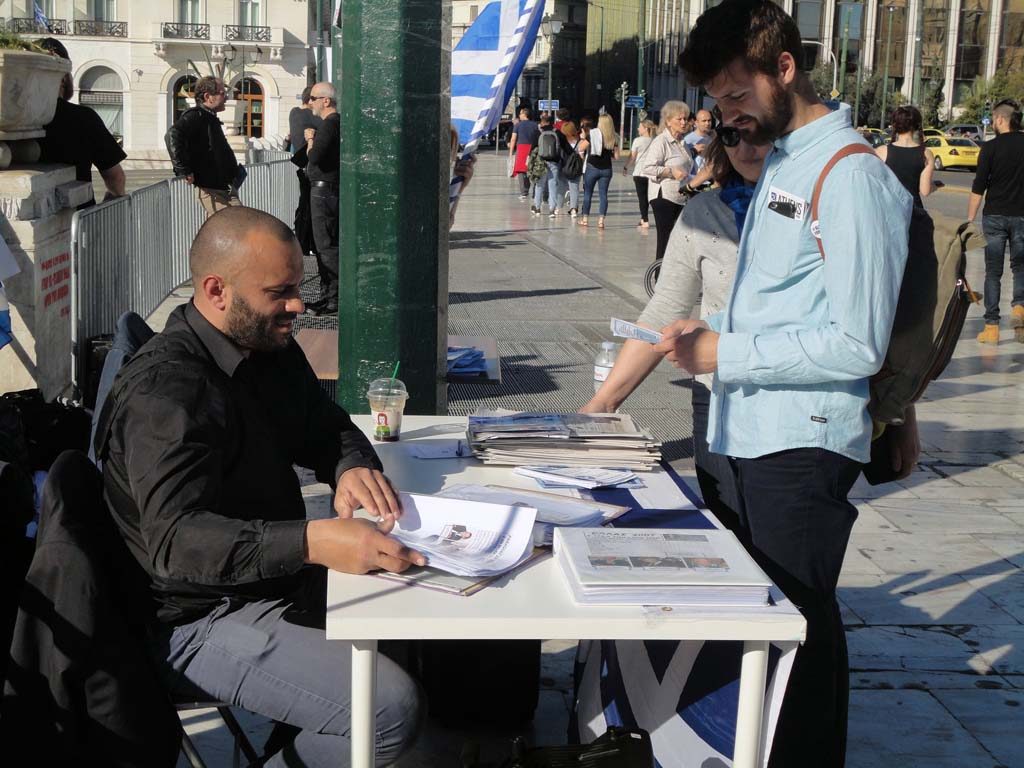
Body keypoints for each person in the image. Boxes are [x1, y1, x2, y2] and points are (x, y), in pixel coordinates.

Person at [94, 207, 424, 767]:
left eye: (299, 286)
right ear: (217, 290)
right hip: (195, 616)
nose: (298, 305)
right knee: (386, 709)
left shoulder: (266, 346)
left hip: (268, 579)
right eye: (281, 292)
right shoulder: (167, 393)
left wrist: (348, 468)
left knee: (411, 610)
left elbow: (324, 426)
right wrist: (312, 542)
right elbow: (177, 543)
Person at [673, 1, 914, 765]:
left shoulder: (849, 175)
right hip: (743, 435)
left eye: (739, 97)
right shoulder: (785, 159)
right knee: (767, 633)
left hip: (800, 449)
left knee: (800, 632)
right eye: (718, 103)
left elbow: (857, 342)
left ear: (786, 68)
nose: (731, 116)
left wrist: (727, 353)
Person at [584, 135, 770, 531]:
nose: (748, 147)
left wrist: (897, 410)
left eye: (762, 134)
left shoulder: (817, 210)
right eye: (734, 134)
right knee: (728, 531)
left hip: (795, 406)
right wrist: (602, 403)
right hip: (716, 395)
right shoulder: (705, 213)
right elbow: (664, 310)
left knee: (786, 564)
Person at [36, 37, 126, 206]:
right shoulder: (83, 118)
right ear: (64, 77)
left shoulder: (17, 121)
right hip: (78, 220)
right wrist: (112, 200)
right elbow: (115, 177)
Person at [967, 98, 1024, 344]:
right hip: (1022, 216)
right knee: (1020, 267)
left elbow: (978, 187)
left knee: (993, 272)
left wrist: (969, 219)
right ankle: (1020, 309)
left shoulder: (990, 148)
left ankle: (991, 327)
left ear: (1001, 119)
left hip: (994, 218)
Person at [165, 75, 241, 216]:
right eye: (222, 93)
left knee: (240, 225)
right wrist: (183, 169)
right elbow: (172, 135)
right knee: (234, 225)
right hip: (211, 191)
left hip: (225, 188)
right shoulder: (196, 116)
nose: (226, 97)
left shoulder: (209, 117)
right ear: (208, 97)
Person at [305, 81, 341, 315]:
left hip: (323, 190)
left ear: (325, 101)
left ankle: (333, 300)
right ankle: (327, 295)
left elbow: (315, 157)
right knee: (326, 245)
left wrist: (310, 139)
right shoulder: (336, 124)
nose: (310, 103)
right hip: (330, 190)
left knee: (325, 246)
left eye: (313, 98)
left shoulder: (329, 124)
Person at [641, 101, 693, 262]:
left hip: (680, 196)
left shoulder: (683, 143)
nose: (684, 122)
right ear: (668, 121)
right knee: (665, 238)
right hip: (664, 196)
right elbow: (647, 167)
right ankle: (659, 278)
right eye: (679, 119)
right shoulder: (661, 141)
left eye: (686, 119)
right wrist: (671, 171)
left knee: (678, 240)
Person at [874, 105, 934, 210]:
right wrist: (934, 186)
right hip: (913, 212)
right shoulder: (926, 153)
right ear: (917, 125)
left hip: (888, 210)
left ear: (895, 125)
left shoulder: (882, 151)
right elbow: (925, 191)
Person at [579, 114, 618, 229]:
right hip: (607, 169)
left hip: (592, 167)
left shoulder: (592, 134)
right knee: (603, 195)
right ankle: (601, 221)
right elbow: (616, 156)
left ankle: (585, 219)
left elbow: (581, 148)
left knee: (588, 194)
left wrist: (583, 138)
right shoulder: (614, 136)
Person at [622, 119, 657, 228]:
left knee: (642, 198)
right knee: (650, 197)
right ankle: (643, 219)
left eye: (640, 127)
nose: (638, 128)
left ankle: (645, 220)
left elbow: (632, 157)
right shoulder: (655, 140)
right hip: (651, 173)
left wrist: (626, 167)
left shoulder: (637, 140)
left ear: (645, 128)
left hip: (639, 173)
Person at [532, 113, 568, 218]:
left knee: (539, 185)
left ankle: (537, 208)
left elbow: (533, 148)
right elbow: (564, 147)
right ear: (552, 121)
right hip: (554, 162)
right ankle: (552, 210)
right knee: (553, 186)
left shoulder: (538, 132)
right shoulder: (557, 132)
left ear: (542, 121)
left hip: (541, 162)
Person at [509, 107, 540, 199]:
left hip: (521, 148)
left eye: (521, 113)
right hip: (533, 148)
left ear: (525, 114)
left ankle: (524, 192)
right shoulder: (535, 125)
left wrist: (511, 152)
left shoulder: (518, 125)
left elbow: (513, 139)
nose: (519, 115)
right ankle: (535, 191)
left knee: (521, 170)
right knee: (534, 169)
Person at [560, 121, 584, 217]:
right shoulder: (580, 140)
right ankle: (573, 208)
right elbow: (582, 154)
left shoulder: (563, 141)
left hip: (565, 166)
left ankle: (558, 207)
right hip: (577, 166)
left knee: (562, 186)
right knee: (574, 187)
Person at [289, 86, 323, 153]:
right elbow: (326, 127)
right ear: (310, 100)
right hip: (308, 157)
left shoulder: (293, 112)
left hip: (297, 156)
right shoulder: (311, 114)